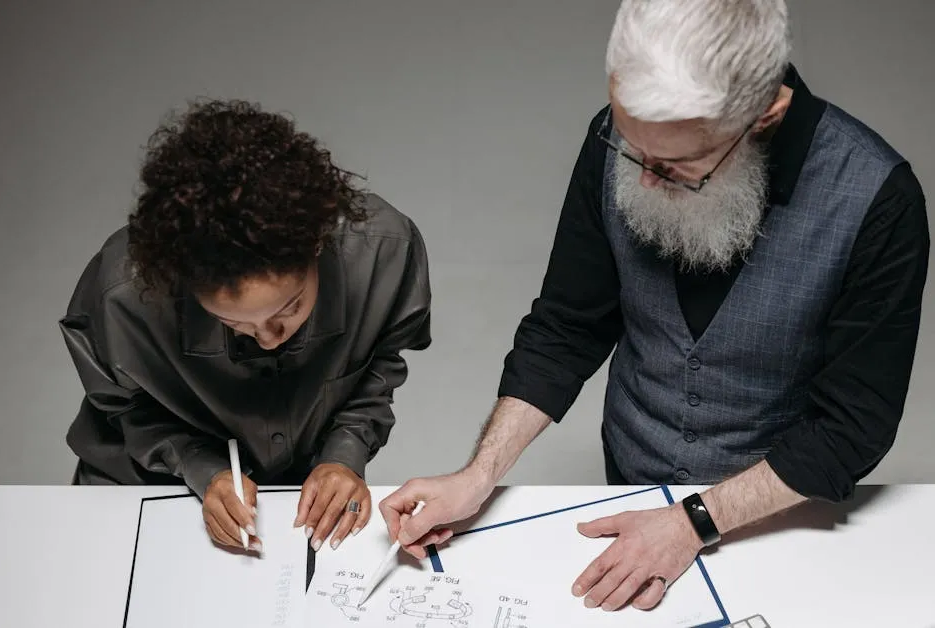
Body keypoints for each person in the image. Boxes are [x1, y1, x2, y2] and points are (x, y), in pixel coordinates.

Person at [380, 0, 928, 614]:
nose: (641, 181)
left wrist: (692, 522)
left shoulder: (880, 198)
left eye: (674, 167)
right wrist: (478, 474)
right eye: (631, 150)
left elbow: (851, 426)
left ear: (766, 115)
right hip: (633, 480)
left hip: (783, 514)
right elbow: (566, 325)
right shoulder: (622, 139)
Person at [60, 99, 432, 555]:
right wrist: (201, 467)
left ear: (316, 242)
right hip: (137, 485)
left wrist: (344, 455)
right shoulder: (121, 296)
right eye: (232, 322)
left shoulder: (383, 253)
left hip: (289, 498)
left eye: (289, 309)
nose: (270, 337)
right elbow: (123, 410)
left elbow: (379, 366)